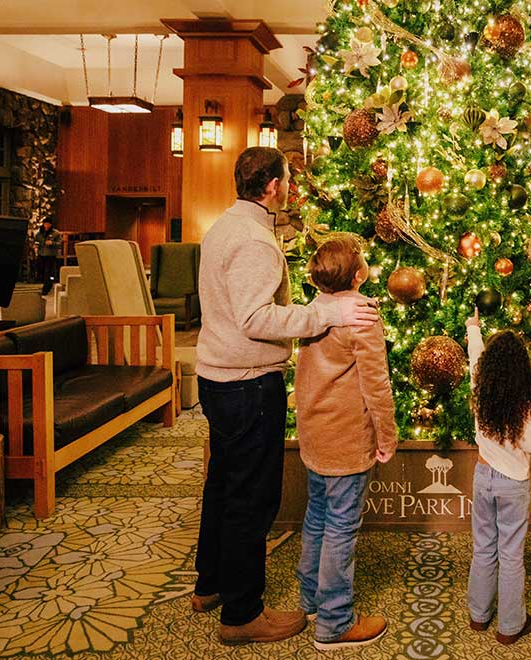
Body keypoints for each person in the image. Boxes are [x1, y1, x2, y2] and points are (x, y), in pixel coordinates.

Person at [191, 147, 379, 646]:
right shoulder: (255, 241)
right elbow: (255, 318)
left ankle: (209, 583)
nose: (291, 187)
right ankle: (243, 613)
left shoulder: (224, 226)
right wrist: (326, 315)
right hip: (247, 382)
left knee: (223, 485)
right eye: (289, 180)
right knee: (252, 500)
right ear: (273, 186)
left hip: (217, 376)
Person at [294, 233, 397, 650]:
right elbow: (376, 384)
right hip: (346, 436)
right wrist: (387, 436)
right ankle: (335, 622)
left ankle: (311, 599)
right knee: (340, 524)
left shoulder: (313, 310)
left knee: (317, 513)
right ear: (358, 275)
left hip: (315, 432)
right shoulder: (362, 316)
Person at [465, 309, 531, 645]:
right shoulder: (521, 403)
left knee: (483, 548)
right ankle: (510, 626)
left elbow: (475, 353)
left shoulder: (480, 386)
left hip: (483, 475)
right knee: (511, 554)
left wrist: (472, 327)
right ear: (522, 369)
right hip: (513, 484)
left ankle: (478, 615)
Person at [32, 218, 62, 295]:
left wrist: (52, 243)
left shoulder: (56, 233)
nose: (47, 225)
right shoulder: (39, 233)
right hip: (41, 254)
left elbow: (59, 243)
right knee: (41, 270)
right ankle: (43, 283)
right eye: (45, 224)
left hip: (51, 255)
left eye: (48, 224)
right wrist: (35, 245)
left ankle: (47, 287)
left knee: (48, 272)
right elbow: (36, 241)